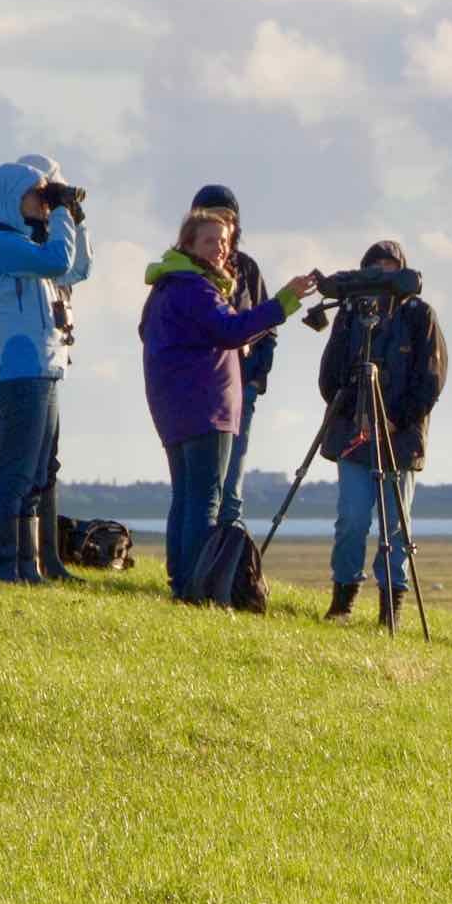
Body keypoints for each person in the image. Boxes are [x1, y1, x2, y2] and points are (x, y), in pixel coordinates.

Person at [138, 207, 315, 599]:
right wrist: (284, 301)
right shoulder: (195, 288)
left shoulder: (166, 287)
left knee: (185, 496)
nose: (219, 249)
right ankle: (196, 586)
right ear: (188, 244)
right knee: (206, 500)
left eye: (224, 241)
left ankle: (182, 579)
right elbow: (231, 329)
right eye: (209, 241)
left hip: (174, 409)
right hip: (206, 409)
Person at [0, 154, 88, 580]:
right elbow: (56, 261)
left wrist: (74, 218)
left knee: (35, 473)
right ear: (14, 196)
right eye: (36, 195)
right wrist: (62, 214)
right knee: (15, 473)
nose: (42, 201)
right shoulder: (1, 243)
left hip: (43, 366)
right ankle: (0, 569)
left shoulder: (26, 241)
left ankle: (26, 567)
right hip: (19, 369)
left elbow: (74, 268)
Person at [317, 241, 448, 624]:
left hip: (400, 438)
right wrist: (354, 412)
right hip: (353, 434)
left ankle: (391, 610)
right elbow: (329, 377)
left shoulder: (419, 315)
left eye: (390, 269)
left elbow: (431, 380)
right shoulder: (350, 315)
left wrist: (396, 419)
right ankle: (342, 602)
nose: (382, 277)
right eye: (374, 269)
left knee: (395, 524)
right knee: (352, 519)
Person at [188, 183, 276, 529]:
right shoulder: (183, 273)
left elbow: (267, 324)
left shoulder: (248, 269)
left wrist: (255, 378)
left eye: (228, 220)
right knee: (201, 486)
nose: (222, 229)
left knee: (232, 485)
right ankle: (199, 568)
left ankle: (228, 566)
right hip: (200, 392)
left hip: (242, 387)